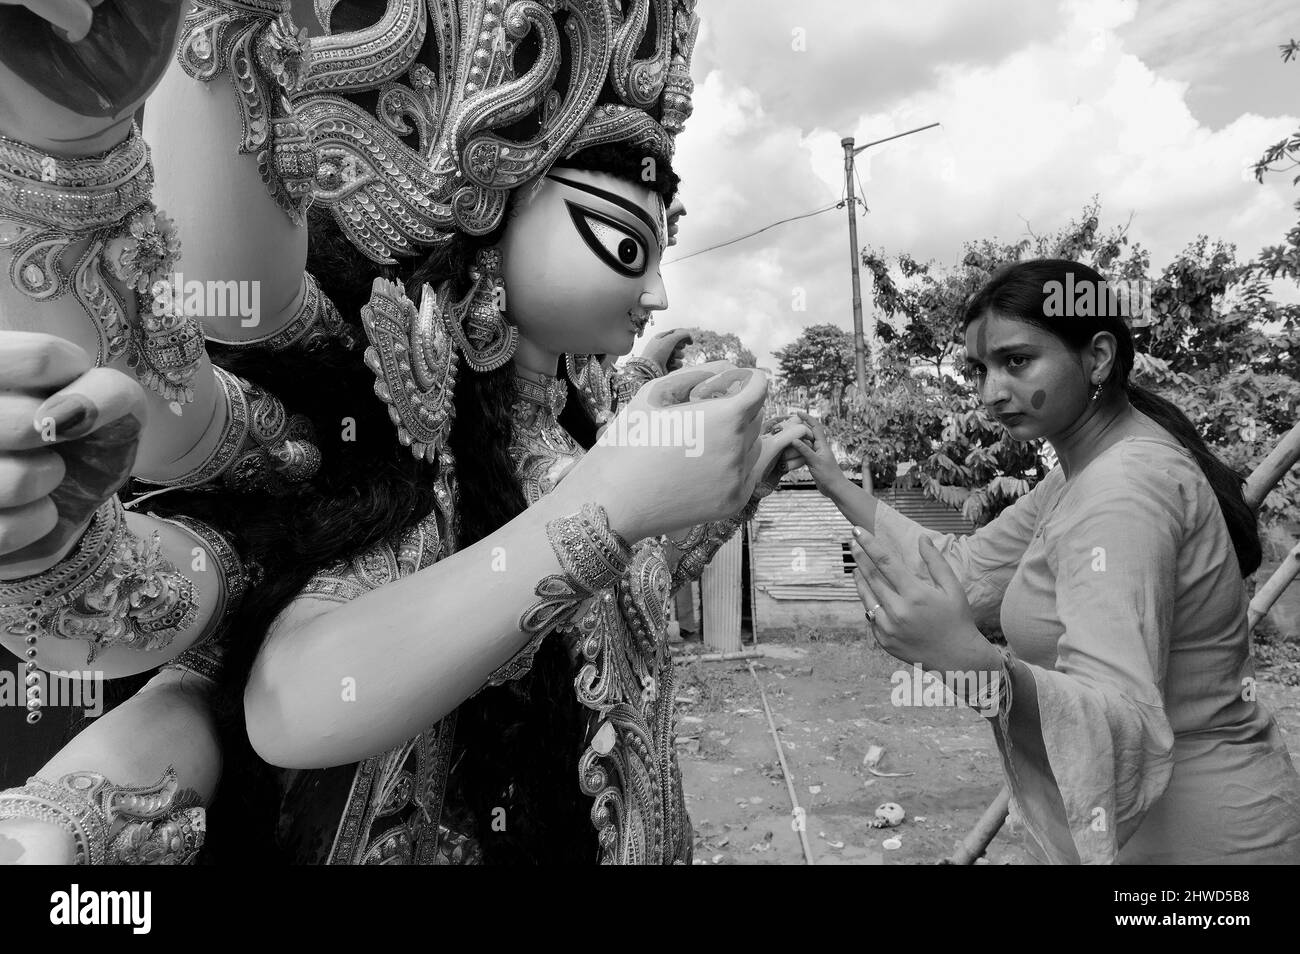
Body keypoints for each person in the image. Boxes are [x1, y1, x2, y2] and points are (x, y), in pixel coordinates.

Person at [0, 0, 807, 864]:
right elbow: (290, 701)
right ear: (494, 201)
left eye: (662, 247)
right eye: (624, 244)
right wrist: (605, 510)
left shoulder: (590, 411)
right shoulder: (414, 422)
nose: (655, 298)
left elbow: (621, 595)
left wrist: (710, 490)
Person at [791, 258, 1300, 864]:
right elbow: (967, 566)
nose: (990, 392)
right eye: (980, 369)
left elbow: (1120, 717)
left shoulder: (1123, 491)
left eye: (1017, 361)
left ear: (1098, 357)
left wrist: (966, 662)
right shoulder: (1076, 476)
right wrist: (833, 481)